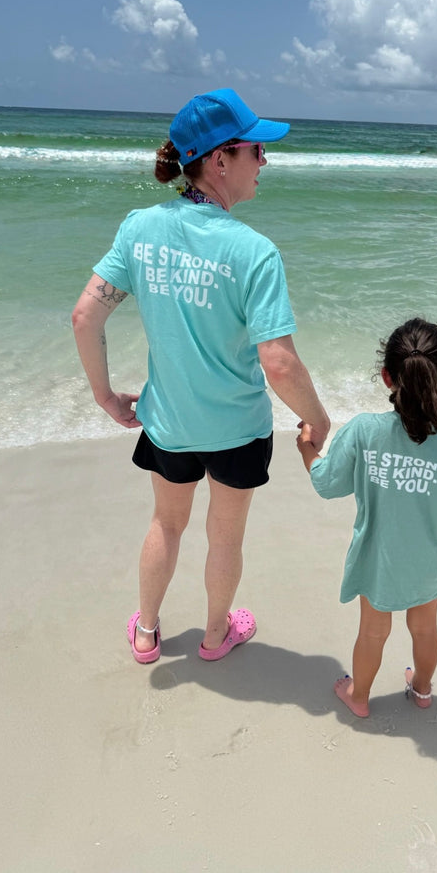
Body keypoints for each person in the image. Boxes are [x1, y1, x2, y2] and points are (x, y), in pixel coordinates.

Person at [72, 88, 329, 665]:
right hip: (237, 427)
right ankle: (215, 636)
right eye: (257, 151)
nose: (265, 162)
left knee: (166, 523)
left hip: (169, 421)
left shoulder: (140, 227)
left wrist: (105, 395)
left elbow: (85, 314)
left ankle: (146, 634)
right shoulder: (255, 251)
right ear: (220, 159)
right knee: (225, 536)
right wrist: (318, 418)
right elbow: (279, 362)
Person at [296, 317, 437, 718]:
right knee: (424, 627)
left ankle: (360, 696)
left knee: (373, 630)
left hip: (378, 560)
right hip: (429, 561)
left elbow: (327, 482)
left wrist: (306, 448)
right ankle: (421, 690)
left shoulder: (364, 432)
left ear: (387, 376)